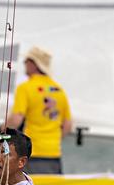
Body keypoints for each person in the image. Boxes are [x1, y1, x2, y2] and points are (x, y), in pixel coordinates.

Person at [6, 46, 72, 174]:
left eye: (26, 60)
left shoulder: (25, 88)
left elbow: (16, 118)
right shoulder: (59, 89)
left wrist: (1, 131)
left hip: (32, 153)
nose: (24, 63)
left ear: (34, 64)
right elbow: (67, 125)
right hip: (54, 154)